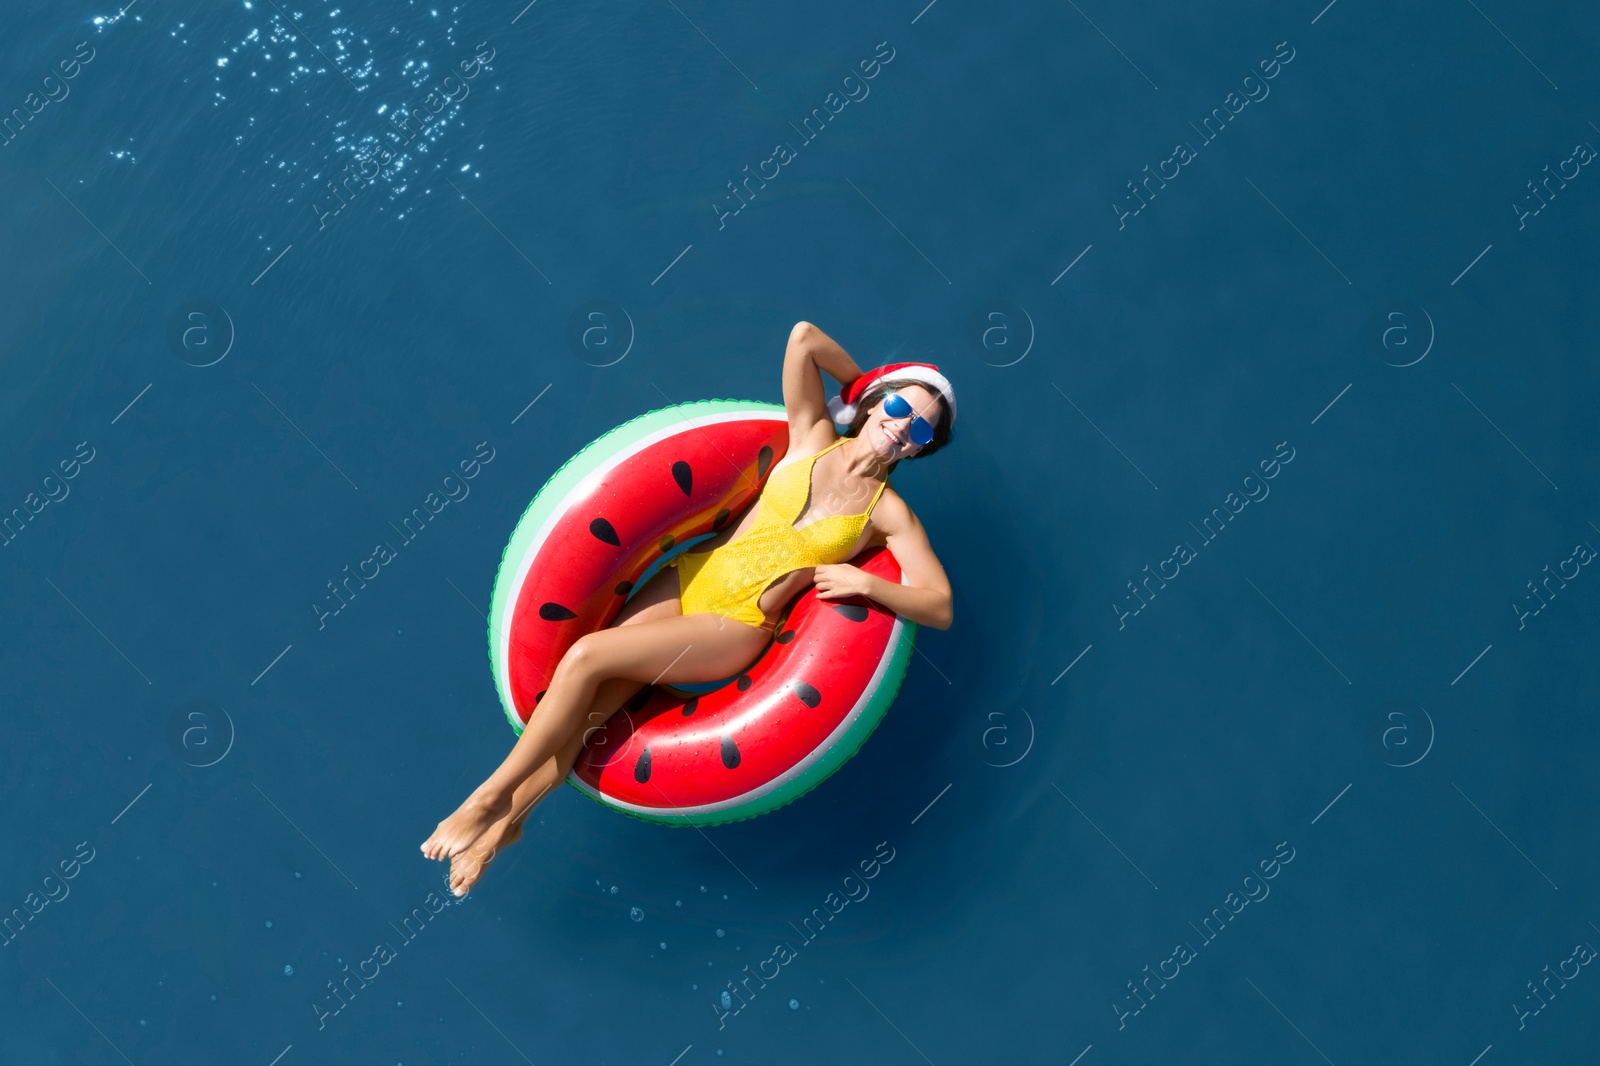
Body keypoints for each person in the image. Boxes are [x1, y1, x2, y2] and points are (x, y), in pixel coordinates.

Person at [422, 321, 958, 895]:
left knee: (584, 658)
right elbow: (803, 338)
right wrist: (861, 388)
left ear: (924, 447)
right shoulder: (812, 436)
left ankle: (487, 798)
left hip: (735, 624)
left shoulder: (887, 514)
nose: (903, 425)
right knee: (591, 714)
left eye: (921, 426)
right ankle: (506, 828)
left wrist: (865, 582)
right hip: (687, 580)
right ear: (880, 403)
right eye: (900, 406)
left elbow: (939, 605)